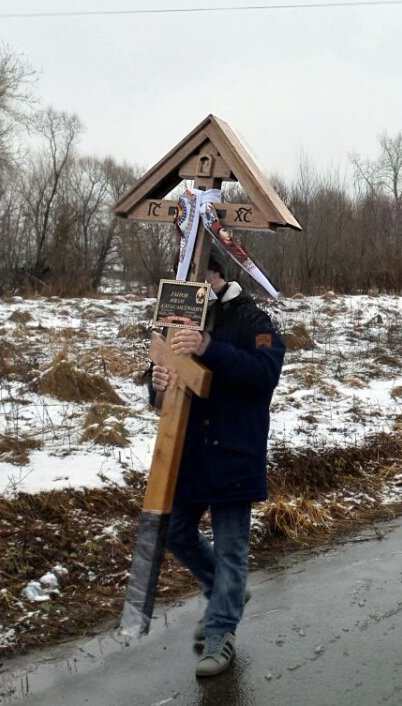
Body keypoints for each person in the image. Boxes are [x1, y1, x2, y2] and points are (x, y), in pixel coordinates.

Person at [148, 257, 285, 677]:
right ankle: (226, 591)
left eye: (196, 277)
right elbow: (163, 385)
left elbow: (264, 374)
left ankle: (221, 633)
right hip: (188, 453)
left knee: (230, 549)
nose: (189, 286)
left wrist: (208, 348)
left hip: (233, 451)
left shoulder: (252, 319)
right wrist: (156, 386)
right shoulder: (176, 318)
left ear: (215, 276)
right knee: (175, 531)